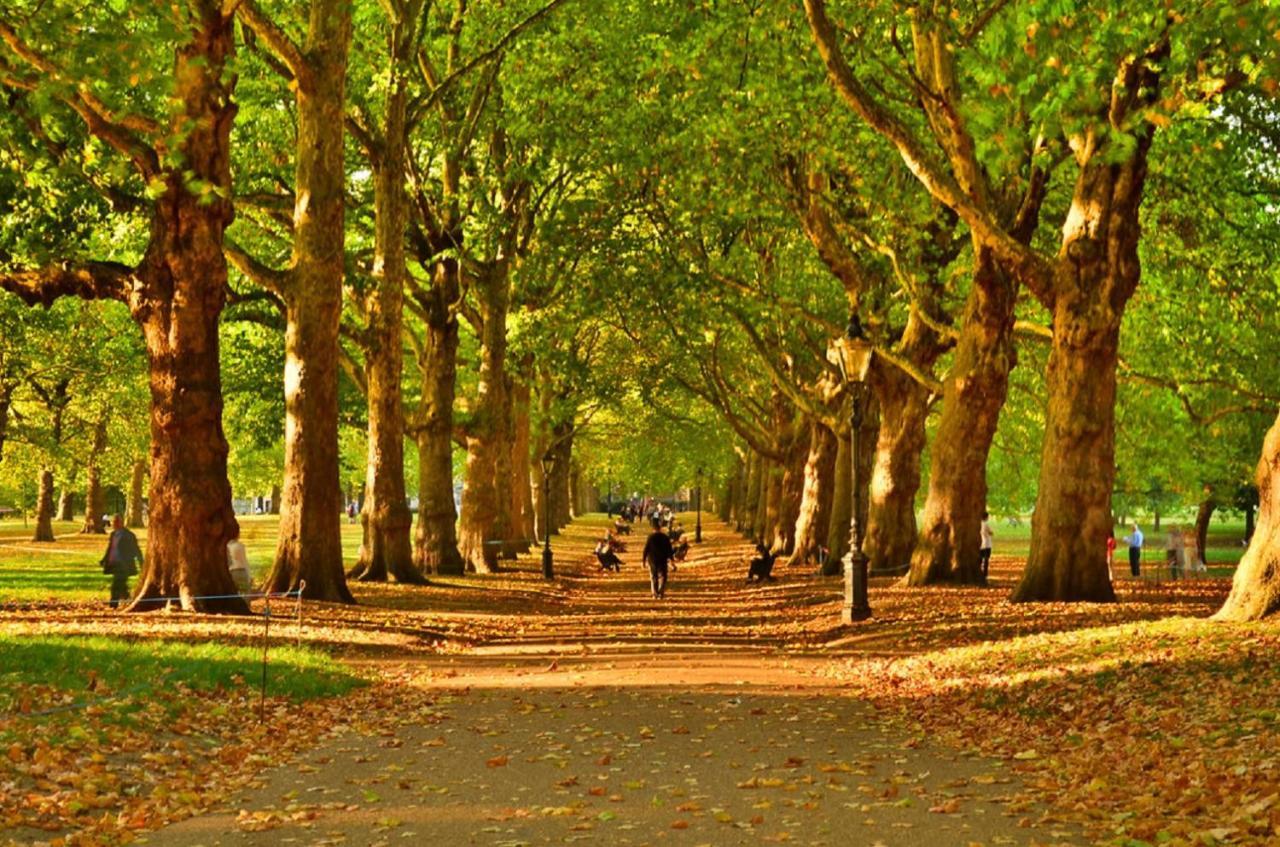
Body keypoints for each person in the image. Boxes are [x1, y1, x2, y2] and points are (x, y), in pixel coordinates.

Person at [100, 514, 142, 608]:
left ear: (121, 523)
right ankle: (129, 600)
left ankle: (113, 604)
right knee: (122, 586)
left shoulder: (128, 535)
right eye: (113, 522)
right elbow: (110, 548)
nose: (114, 524)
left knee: (116, 585)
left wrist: (141, 562)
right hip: (115, 563)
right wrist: (104, 559)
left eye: (116, 522)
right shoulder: (113, 534)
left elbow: (135, 549)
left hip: (124, 565)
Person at [642, 517, 674, 599]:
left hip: (652, 559)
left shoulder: (650, 537)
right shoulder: (665, 537)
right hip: (662, 559)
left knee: (653, 576)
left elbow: (646, 549)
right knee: (663, 576)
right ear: (660, 528)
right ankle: (660, 592)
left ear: (653, 529)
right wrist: (672, 561)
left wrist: (643, 561)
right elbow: (669, 550)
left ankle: (655, 593)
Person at [227, 523, 252, 594]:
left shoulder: (226, 547)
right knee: (245, 592)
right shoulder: (240, 546)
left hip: (230, 572)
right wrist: (249, 575)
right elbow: (244, 562)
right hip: (241, 572)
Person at [979, 511, 993, 583]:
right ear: (986, 517)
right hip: (987, 544)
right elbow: (991, 533)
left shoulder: (979, 524)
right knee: (986, 560)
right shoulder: (987, 524)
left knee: (980, 559)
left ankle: (980, 571)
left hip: (981, 545)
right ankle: (985, 574)